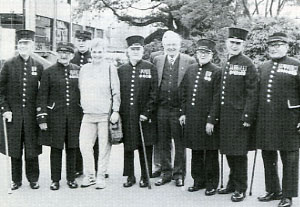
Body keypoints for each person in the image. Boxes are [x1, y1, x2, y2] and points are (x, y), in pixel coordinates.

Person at [256, 32, 300, 207]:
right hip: (266, 121)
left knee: (289, 160)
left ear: (287, 47)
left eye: (278, 45)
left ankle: (288, 195)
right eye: (271, 46)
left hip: (289, 121)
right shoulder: (263, 67)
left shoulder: (296, 65)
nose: (274, 49)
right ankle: (273, 190)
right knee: (268, 157)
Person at [217, 27, 258, 202]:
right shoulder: (226, 62)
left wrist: (248, 116)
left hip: (240, 118)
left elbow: (252, 92)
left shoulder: (247, 63)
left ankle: (241, 187)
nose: (234, 46)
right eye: (232, 42)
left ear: (243, 45)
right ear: (227, 43)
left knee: (239, 154)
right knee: (228, 152)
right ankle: (232, 183)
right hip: (226, 118)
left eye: (238, 43)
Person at [0, 29, 43, 190]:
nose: (23, 46)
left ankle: (33, 179)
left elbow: (43, 91)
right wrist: (5, 109)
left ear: (32, 45)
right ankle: (16, 180)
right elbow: (1, 91)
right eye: (21, 43)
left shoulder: (38, 66)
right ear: (17, 45)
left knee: (32, 149)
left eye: (27, 43)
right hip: (13, 116)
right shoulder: (9, 64)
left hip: (31, 116)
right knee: (15, 149)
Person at [153, 31, 196, 187]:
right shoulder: (157, 60)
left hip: (178, 109)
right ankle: (166, 172)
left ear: (179, 46)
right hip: (162, 108)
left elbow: (191, 87)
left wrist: (185, 111)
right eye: (168, 45)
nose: (171, 47)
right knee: (163, 142)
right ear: (164, 46)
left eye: (174, 45)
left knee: (179, 143)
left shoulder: (189, 61)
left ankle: (179, 174)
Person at [37, 42, 82, 190]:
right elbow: (42, 96)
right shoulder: (49, 72)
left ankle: (71, 178)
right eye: (61, 53)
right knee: (56, 149)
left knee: (72, 147)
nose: (64, 56)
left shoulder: (77, 70)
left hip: (74, 116)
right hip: (55, 117)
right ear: (57, 54)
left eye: (67, 53)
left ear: (72, 55)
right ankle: (55, 180)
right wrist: (42, 117)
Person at [179, 39, 221, 195]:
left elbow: (217, 98)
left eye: (206, 53)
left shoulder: (217, 71)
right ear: (196, 54)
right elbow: (183, 92)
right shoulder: (191, 69)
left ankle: (211, 183)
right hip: (192, 118)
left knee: (210, 152)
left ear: (212, 54)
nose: (202, 55)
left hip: (208, 120)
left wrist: (212, 119)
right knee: (195, 150)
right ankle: (198, 180)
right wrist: (182, 112)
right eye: (200, 52)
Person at [79, 38, 120, 189]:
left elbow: (116, 92)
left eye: (100, 52)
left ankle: (101, 176)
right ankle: (89, 175)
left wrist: (115, 110)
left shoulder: (110, 68)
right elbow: (80, 89)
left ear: (104, 52)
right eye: (94, 52)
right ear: (91, 53)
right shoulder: (84, 69)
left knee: (104, 148)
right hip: (88, 114)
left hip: (105, 114)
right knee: (84, 146)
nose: (97, 55)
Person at [118, 35, 158, 188]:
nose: (135, 51)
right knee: (128, 147)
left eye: (138, 49)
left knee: (145, 146)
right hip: (127, 115)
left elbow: (154, 93)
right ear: (128, 51)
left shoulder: (150, 67)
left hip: (145, 116)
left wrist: (147, 112)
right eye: (132, 49)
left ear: (143, 50)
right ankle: (129, 175)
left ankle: (145, 176)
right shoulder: (122, 70)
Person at [70, 30, 100, 178]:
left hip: (93, 103)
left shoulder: (94, 57)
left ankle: (96, 168)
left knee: (96, 138)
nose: (81, 42)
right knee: (78, 137)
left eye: (84, 40)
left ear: (89, 42)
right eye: (79, 39)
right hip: (75, 104)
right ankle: (77, 167)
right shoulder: (71, 57)